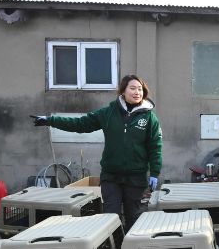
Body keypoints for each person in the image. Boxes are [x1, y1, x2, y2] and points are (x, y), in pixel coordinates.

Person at [32, 74, 162, 232]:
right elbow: (80, 124)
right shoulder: (108, 113)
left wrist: (154, 172)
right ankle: (114, 248)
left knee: (135, 219)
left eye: (140, 89)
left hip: (136, 178)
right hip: (111, 177)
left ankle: (132, 248)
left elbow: (155, 147)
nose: (137, 92)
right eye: (133, 88)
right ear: (123, 91)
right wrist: (50, 120)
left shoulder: (149, 117)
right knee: (110, 219)